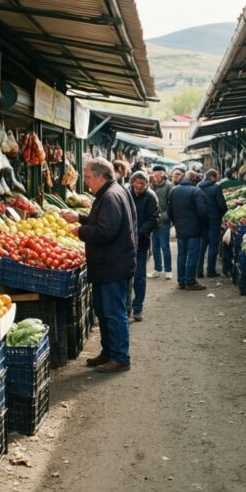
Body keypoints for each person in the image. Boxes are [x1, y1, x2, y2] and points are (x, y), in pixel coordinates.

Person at [60, 158, 136, 373]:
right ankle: (109, 352)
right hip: (109, 263)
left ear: (101, 176)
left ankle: (120, 357)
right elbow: (102, 221)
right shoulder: (112, 192)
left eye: (89, 177)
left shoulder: (111, 196)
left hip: (113, 264)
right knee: (103, 311)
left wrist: (80, 231)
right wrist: (81, 217)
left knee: (114, 312)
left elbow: (105, 231)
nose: (86, 182)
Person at [167, 170, 207, 290]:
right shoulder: (196, 191)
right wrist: (203, 224)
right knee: (193, 255)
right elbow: (202, 212)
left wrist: (176, 222)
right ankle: (190, 281)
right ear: (194, 180)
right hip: (194, 229)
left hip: (180, 228)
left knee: (181, 256)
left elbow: (170, 211)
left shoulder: (174, 190)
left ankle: (181, 281)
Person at [128, 171, 159, 321]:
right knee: (125, 276)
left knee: (139, 276)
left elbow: (154, 219)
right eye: (137, 182)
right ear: (132, 182)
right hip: (125, 243)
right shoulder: (126, 194)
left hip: (142, 242)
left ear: (147, 184)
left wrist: (139, 232)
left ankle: (137, 308)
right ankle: (127, 307)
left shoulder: (151, 197)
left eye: (143, 183)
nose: (139, 186)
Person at [197, 169, 228, 278]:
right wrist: (220, 215)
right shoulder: (216, 188)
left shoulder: (198, 187)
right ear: (213, 177)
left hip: (201, 221)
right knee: (213, 246)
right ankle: (211, 271)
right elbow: (222, 206)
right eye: (217, 177)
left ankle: (199, 271)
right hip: (214, 221)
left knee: (202, 246)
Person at [148, 166, 174, 280]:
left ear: (162, 174)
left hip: (164, 221)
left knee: (165, 246)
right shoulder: (151, 186)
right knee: (155, 247)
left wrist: (163, 216)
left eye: (157, 175)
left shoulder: (169, 186)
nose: (155, 178)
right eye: (154, 176)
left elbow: (171, 205)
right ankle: (157, 269)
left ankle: (168, 270)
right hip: (153, 221)